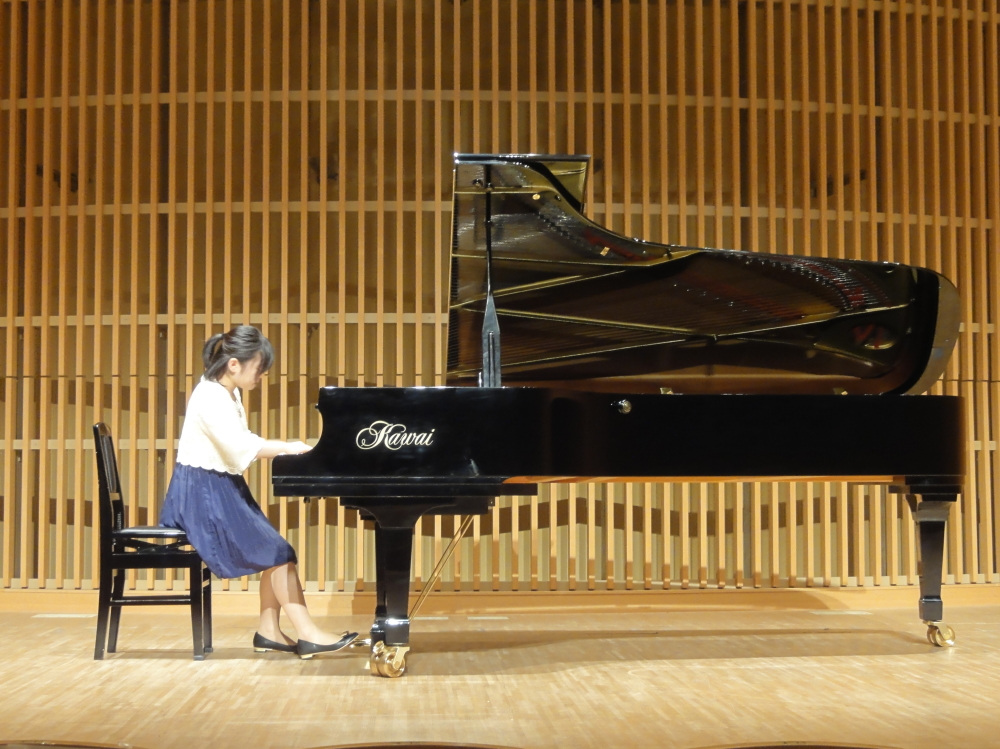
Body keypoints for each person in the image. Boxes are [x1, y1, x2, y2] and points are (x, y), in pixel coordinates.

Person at [160, 325, 356, 658]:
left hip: (218, 487)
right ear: (233, 364)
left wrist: (288, 448)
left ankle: (269, 631)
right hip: (203, 494)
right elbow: (239, 447)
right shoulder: (209, 396)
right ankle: (308, 634)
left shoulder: (225, 393)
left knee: (276, 552)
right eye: (259, 369)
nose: (262, 376)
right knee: (278, 552)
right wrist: (290, 447)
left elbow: (241, 443)